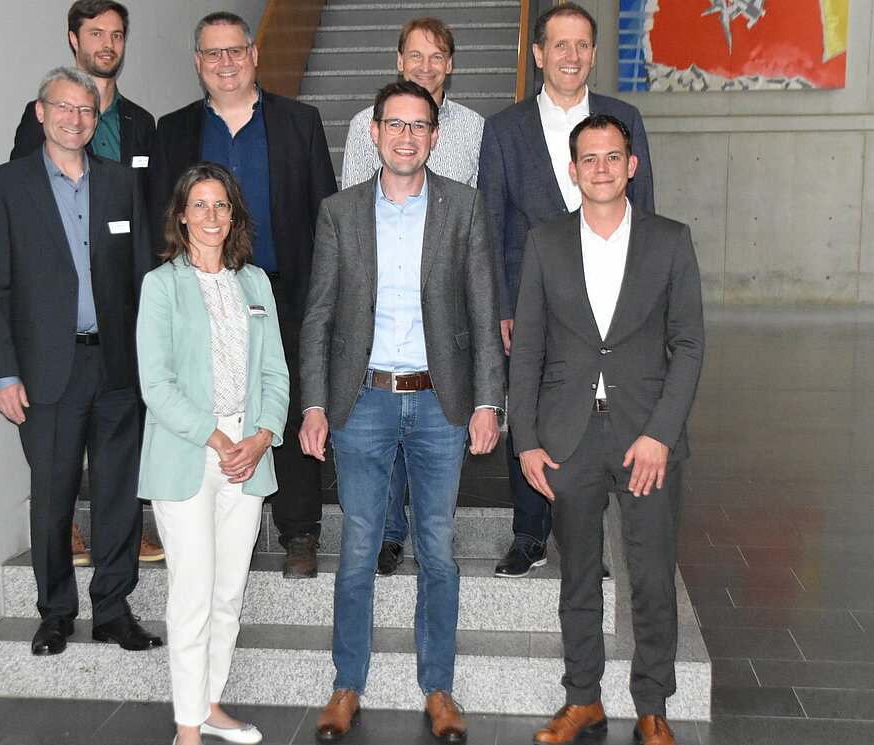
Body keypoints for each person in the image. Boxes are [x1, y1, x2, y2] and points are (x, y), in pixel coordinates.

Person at [300, 81, 502, 743]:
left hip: (440, 402)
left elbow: (481, 307)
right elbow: (319, 315)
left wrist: (485, 401)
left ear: (436, 135)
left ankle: (437, 687)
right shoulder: (339, 211)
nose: (407, 136)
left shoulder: (464, 207)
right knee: (358, 548)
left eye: (420, 125)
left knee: (437, 550)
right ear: (374, 132)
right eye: (396, 125)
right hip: (363, 401)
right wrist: (315, 403)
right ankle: (345, 684)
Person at [510, 114, 703, 745]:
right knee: (578, 574)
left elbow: (689, 345)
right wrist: (527, 440)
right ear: (573, 170)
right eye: (588, 158)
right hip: (568, 436)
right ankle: (583, 699)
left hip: (645, 435)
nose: (600, 168)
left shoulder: (670, 241)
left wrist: (661, 435)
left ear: (632, 165)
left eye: (612, 157)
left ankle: (652, 704)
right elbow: (529, 346)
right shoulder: (545, 242)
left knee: (651, 575)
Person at [0, 66, 162, 657]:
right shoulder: (3, 186)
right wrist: (2, 373)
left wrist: (151, 362)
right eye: (64, 108)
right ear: (40, 112)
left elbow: (142, 280)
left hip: (117, 368)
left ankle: (112, 608)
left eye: (86, 111)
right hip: (45, 371)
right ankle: (55, 611)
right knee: (53, 497)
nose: (75, 120)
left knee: (117, 496)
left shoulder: (120, 184)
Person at [478, 1, 656, 578]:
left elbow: (646, 217)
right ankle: (529, 533)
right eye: (560, 45)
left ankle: (583, 535)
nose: (571, 56)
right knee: (528, 404)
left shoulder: (623, 117)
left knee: (591, 405)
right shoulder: (505, 129)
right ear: (538, 55)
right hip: (533, 301)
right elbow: (492, 224)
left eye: (582, 45)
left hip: (606, 304)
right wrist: (504, 305)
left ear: (595, 53)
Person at [157, 11, 337, 578]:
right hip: (202, 293)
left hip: (282, 294)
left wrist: (323, 297)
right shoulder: (173, 130)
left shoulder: (299, 123)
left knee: (283, 400)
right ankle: (213, 517)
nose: (226, 62)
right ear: (198, 62)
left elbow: (323, 214)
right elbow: (161, 217)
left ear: (254, 55)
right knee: (211, 403)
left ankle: (299, 531)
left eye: (235, 50)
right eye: (213, 53)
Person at [136, 162, 288, 745]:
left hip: (247, 456)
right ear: (181, 215)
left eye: (221, 205)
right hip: (189, 454)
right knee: (194, 593)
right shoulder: (162, 286)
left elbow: (275, 373)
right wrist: (219, 438)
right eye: (199, 205)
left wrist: (261, 435)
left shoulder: (255, 285)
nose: (211, 216)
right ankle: (186, 729)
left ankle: (211, 705)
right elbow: (157, 384)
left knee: (228, 592)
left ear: (234, 215)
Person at [9, 0, 165, 564]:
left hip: (118, 336)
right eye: (95, 33)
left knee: (120, 468)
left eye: (117, 34)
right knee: (55, 475)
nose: (107, 43)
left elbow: (148, 232)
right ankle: (63, 573)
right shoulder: (29, 145)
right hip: (55, 343)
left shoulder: (140, 125)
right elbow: (17, 247)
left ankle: (115, 573)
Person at [337, 16, 484, 577]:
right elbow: (352, 198)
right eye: (415, 56)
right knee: (382, 410)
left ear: (450, 65)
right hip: (384, 291)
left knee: (428, 415)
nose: (425, 65)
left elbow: (478, 204)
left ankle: (423, 537)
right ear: (399, 60)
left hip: (445, 298)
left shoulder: (471, 127)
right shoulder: (362, 125)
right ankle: (389, 534)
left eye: (437, 56)